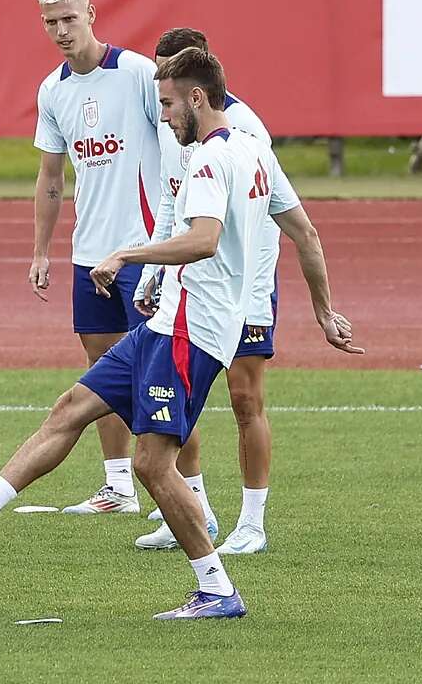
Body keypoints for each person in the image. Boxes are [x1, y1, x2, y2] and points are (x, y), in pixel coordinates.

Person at [0, 49, 363, 619]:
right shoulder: (256, 150)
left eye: (167, 104)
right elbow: (305, 230)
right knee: (72, 405)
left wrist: (129, 254)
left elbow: (202, 240)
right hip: (168, 320)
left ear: (197, 98)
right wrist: (324, 310)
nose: (163, 116)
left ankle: (217, 588)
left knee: (151, 465)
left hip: (192, 332)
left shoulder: (209, 160)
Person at [132, 28, 278, 553]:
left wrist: (254, 293)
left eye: (169, 90)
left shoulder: (243, 133)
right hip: (191, 287)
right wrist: (155, 273)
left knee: (245, 399)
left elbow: (275, 218)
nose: (162, 104)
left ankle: (253, 522)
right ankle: (195, 513)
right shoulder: (180, 131)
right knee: (177, 401)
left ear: (195, 85)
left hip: (244, 287)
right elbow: (175, 204)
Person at [26, 0, 162, 515]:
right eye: (51, 23)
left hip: (142, 251)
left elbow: (179, 141)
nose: (61, 30)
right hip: (89, 254)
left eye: (69, 19)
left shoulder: (137, 75)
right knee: (102, 368)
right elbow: (51, 178)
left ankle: (177, 486)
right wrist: (41, 250)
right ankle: (118, 485)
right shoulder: (52, 89)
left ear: (91, 14)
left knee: (156, 369)